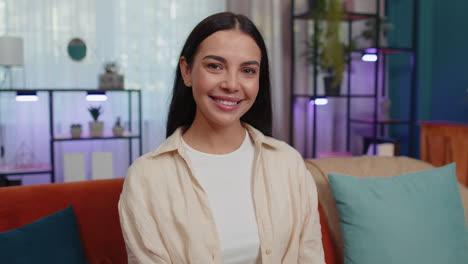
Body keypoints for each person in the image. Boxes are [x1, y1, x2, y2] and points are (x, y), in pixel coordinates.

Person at [118, 12, 325, 264]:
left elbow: (310, 256)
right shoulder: (146, 177)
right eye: (215, 66)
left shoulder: (288, 163)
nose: (231, 84)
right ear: (187, 71)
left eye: (248, 70)